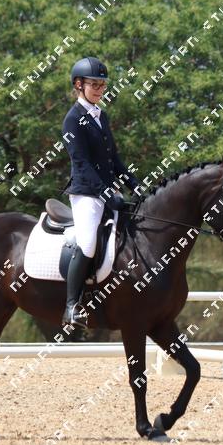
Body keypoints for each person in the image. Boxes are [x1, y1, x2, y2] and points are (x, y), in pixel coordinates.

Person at [61, 56, 139, 328]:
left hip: (106, 191)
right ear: (78, 85)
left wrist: (135, 184)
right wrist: (107, 195)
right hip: (85, 194)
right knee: (88, 243)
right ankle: (71, 307)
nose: (99, 89)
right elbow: (81, 163)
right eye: (94, 84)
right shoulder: (72, 120)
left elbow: (114, 160)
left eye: (102, 85)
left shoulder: (100, 116)